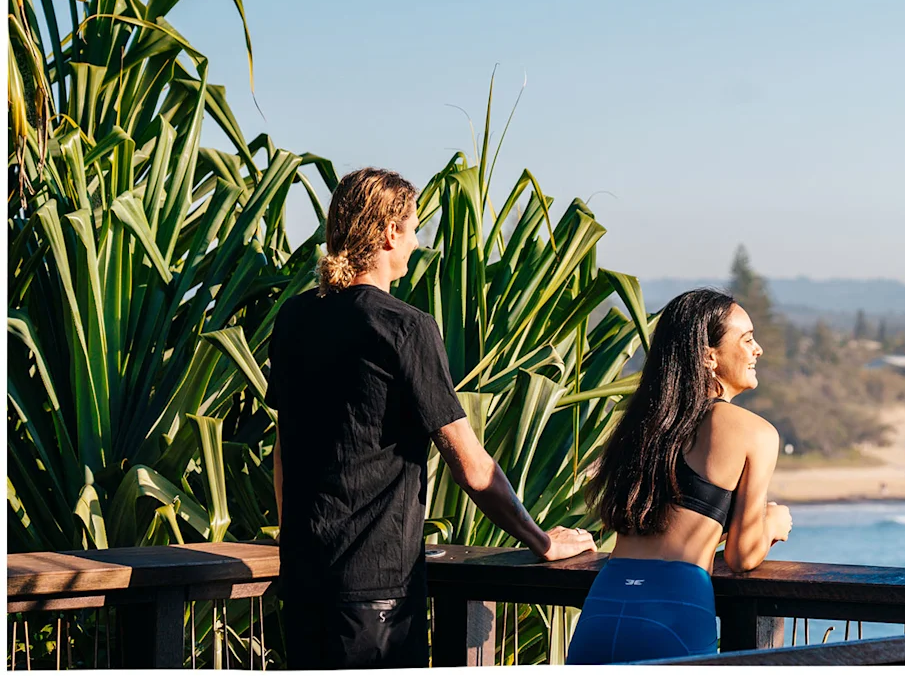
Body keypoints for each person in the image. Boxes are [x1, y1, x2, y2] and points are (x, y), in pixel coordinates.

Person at [267, 167, 595, 669]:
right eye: (413, 228)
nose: (417, 242)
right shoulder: (405, 326)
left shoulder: (295, 319)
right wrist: (542, 541)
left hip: (304, 582)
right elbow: (469, 462)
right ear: (387, 232)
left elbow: (284, 449)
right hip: (376, 596)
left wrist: (297, 545)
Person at [565, 288, 792, 664]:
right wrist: (773, 522)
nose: (758, 350)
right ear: (709, 356)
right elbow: (742, 555)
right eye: (747, 339)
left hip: (603, 606)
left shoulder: (644, 425)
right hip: (675, 612)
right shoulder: (754, 431)